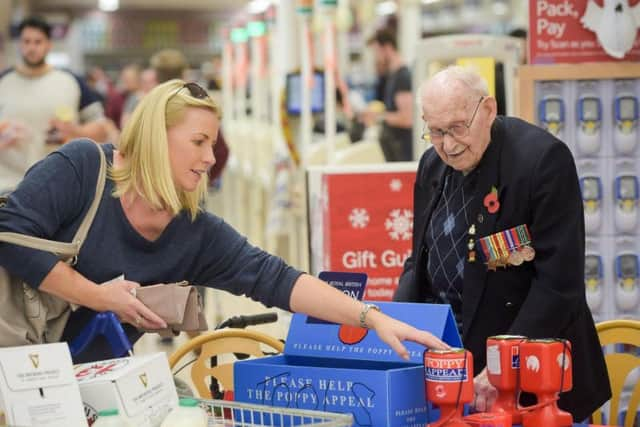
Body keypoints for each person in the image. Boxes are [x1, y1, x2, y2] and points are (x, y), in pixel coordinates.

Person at [0, 79, 447, 363]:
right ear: (158, 136)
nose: (211, 158)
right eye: (198, 141)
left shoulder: (195, 231)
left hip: (81, 382)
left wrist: (371, 316)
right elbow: (10, 234)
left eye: (212, 144)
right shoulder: (84, 169)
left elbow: (276, 279)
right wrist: (98, 296)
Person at [393, 66, 610, 421]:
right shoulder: (431, 166)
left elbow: (559, 287)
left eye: (457, 127)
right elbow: (419, 263)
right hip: (456, 378)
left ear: (489, 110)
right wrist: (392, 329)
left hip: (535, 381)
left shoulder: (542, 161)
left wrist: (500, 369)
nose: (447, 144)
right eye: (435, 131)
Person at [0, 16, 108, 193]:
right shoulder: (3, 81)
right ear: (19, 44)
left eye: (38, 42)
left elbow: (102, 128)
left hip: (59, 183)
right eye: (26, 41)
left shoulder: (71, 81)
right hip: (6, 185)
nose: (31, 47)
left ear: (49, 44)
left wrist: (76, 131)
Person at [363, 29, 413, 162]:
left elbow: (407, 118)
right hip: (393, 152)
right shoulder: (392, 76)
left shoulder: (403, 77)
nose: (376, 57)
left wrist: (378, 116)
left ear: (387, 48)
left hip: (403, 155)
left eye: (377, 52)